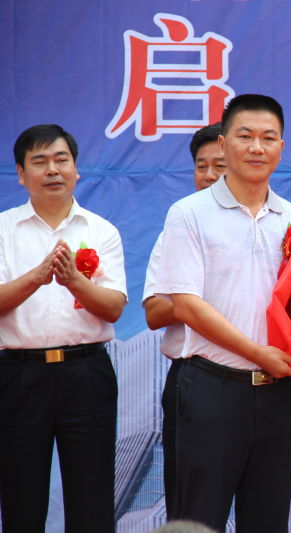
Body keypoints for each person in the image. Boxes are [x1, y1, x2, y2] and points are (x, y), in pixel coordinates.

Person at [154, 94, 291, 532]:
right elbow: (186, 305)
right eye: (245, 136)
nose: (257, 148)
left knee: (268, 518)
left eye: (268, 138)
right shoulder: (189, 214)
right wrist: (259, 353)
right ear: (224, 145)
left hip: (280, 395)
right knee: (197, 519)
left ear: (282, 147)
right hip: (211, 389)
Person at [0, 124, 127, 532]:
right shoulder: (3, 230)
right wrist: (37, 277)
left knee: (92, 499)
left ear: (76, 168)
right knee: (21, 500)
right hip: (18, 376)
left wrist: (74, 280)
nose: (53, 170)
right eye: (40, 162)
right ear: (21, 174)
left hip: (86, 373)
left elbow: (114, 308)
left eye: (61, 160)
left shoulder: (101, 230)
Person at [142, 122, 225, 518]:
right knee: (190, 506)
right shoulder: (178, 227)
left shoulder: (280, 223)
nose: (208, 175)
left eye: (218, 166)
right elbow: (154, 313)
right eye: (200, 166)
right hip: (193, 379)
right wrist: (199, 299)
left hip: (259, 380)